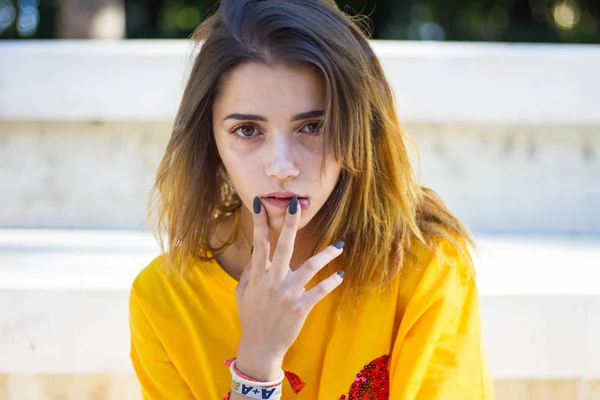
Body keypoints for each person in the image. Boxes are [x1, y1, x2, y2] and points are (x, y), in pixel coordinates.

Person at [128, 0, 495, 399]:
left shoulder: (424, 267)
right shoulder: (164, 299)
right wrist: (256, 367)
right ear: (211, 139)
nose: (282, 166)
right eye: (248, 130)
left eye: (313, 127)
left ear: (359, 128)